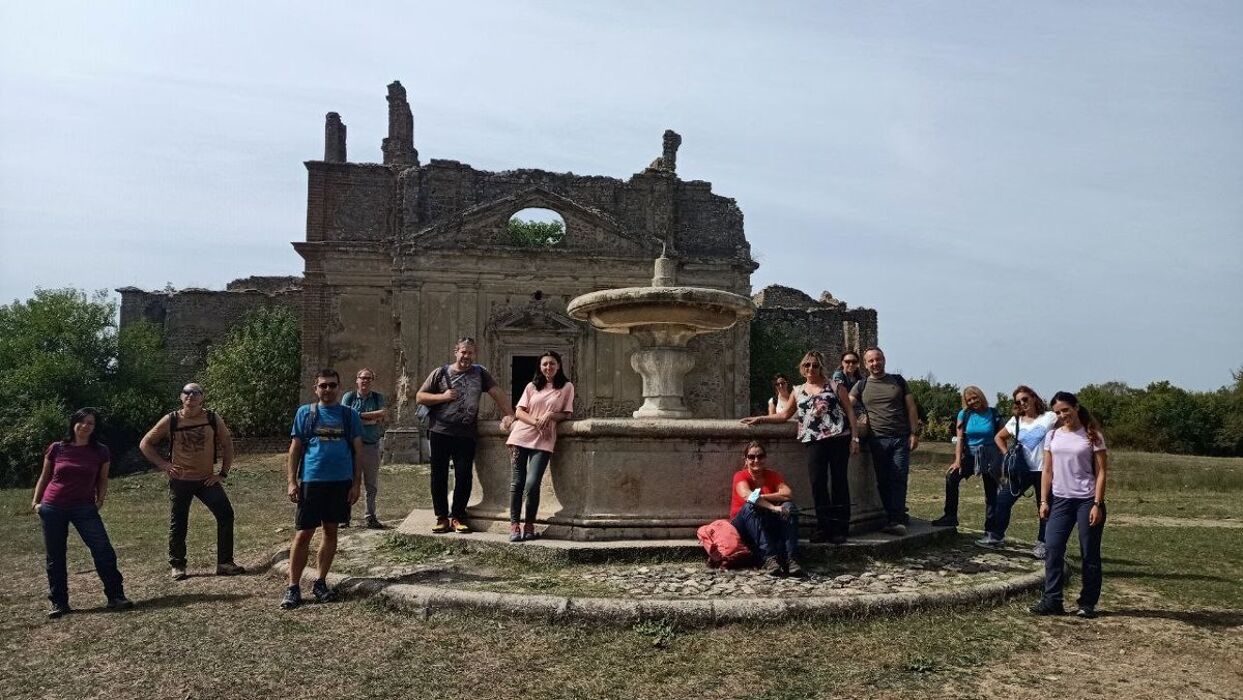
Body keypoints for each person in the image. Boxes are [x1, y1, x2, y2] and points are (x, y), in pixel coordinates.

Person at [743, 350, 859, 544]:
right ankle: (824, 526)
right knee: (817, 483)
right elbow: (784, 415)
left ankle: (840, 528)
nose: (811, 368)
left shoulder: (835, 386)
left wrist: (855, 439)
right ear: (802, 368)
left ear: (821, 367)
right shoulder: (797, 391)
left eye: (814, 365)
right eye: (807, 365)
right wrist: (760, 418)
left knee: (839, 482)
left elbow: (850, 412)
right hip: (813, 440)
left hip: (838, 438)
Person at [31, 408, 132, 617]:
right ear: (73, 423)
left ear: (95, 427)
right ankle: (59, 603)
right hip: (53, 506)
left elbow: (103, 479)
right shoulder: (57, 448)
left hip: (84, 507)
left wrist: (100, 501)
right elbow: (45, 476)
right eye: (82, 422)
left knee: (103, 549)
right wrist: (36, 503)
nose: (86, 426)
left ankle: (116, 596)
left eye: (91, 423)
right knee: (55, 556)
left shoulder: (101, 451)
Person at [139, 382, 244, 580]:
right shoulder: (171, 419)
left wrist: (222, 473)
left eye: (196, 393)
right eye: (187, 392)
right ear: (181, 397)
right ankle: (178, 565)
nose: (191, 396)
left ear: (202, 397)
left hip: (206, 480)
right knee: (178, 522)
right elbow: (145, 443)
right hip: (181, 480)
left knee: (226, 514)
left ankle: (224, 563)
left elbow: (227, 444)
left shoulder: (212, 418)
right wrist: (164, 465)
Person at [281, 368, 364, 609]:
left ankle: (320, 582)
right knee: (304, 533)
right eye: (323, 385)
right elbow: (295, 449)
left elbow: (359, 452)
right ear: (315, 389)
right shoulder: (305, 413)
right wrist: (291, 481)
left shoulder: (350, 416)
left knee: (330, 530)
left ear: (339, 387)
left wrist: (356, 484)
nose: (327, 389)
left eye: (332, 385)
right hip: (312, 480)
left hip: (340, 482)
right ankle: (293, 587)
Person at [415, 337, 515, 534]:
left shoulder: (480, 373)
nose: (466, 356)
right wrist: (442, 397)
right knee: (438, 476)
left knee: (464, 476)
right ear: (456, 351)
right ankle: (442, 517)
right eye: (463, 352)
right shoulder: (440, 373)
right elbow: (420, 396)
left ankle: (458, 517)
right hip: (440, 432)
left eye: (470, 353)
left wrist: (510, 414)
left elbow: (496, 392)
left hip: (466, 434)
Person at [1029, 391, 1109, 618]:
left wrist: (1097, 503)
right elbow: (1047, 470)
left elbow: (1102, 471)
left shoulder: (1093, 435)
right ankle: (1053, 600)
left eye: (1066, 410)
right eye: (1058, 412)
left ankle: (1087, 603)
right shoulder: (1052, 436)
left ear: (1076, 407)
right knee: (1052, 549)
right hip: (1060, 500)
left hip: (1087, 500)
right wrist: (1044, 500)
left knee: (1089, 553)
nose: (1063, 415)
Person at [505, 351, 575, 542]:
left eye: (552, 364)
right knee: (517, 483)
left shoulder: (566, 387)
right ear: (540, 367)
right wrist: (536, 422)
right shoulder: (532, 386)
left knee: (532, 482)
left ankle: (529, 524)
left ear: (559, 366)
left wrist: (551, 415)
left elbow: (567, 414)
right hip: (521, 435)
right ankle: (514, 526)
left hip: (544, 439)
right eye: (544, 364)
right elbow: (519, 412)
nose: (548, 367)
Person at [849, 347, 920, 535]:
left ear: (884, 360)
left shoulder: (898, 381)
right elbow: (847, 405)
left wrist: (914, 433)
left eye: (878, 359)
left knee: (899, 478)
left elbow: (911, 408)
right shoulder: (861, 386)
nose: (875, 363)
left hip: (900, 438)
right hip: (877, 440)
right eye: (871, 361)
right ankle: (892, 517)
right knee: (883, 480)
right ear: (865, 364)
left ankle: (896, 518)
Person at [930, 386, 1004, 546]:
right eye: (969, 400)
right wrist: (957, 460)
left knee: (992, 493)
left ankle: (991, 530)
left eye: (975, 398)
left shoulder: (993, 413)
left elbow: (1001, 437)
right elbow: (960, 439)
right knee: (952, 477)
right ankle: (950, 516)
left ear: (981, 396)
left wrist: (1001, 460)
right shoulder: (964, 414)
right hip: (970, 454)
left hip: (990, 454)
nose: (972, 402)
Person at [992, 386, 1057, 558]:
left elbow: (1067, 427)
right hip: (1022, 470)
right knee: (1003, 500)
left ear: (1034, 398)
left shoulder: (1050, 417)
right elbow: (998, 437)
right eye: (1019, 401)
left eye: (1025, 399)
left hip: (1045, 470)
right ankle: (997, 535)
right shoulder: (1016, 421)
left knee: (1044, 506)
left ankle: (1043, 543)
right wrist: (1007, 454)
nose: (1023, 403)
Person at [727, 441, 805, 577]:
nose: (756, 460)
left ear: (765, 458)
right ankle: (769, 559)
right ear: (746, 460)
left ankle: (791, 559)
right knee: (750, 506)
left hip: (765, 520)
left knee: (789, 507)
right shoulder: (740, 475)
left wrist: (761, 497)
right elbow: (747, 496)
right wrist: (773, 507)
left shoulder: (773, 475)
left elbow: (787, 494)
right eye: (751, 457)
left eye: (760, 456)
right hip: (743, 525)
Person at [342, 368, 387, 529]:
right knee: (348, 481)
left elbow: (382, 414)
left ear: (372, 381)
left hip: (371, 446)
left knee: (371, 484)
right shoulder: (349, 397)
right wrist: (369, 418)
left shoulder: (377, 397)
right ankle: (344, 516)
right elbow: (345, 417)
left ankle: (370, 516)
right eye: (362, 378)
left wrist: (358, 416)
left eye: (368, 378)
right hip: (350, 447)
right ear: (357, 380)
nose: (365, 381)